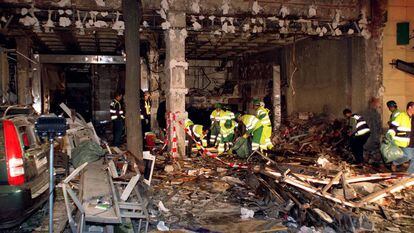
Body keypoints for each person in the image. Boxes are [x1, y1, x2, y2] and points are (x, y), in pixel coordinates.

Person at [388, 102, 414, 174]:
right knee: (408, 156)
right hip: (405, 141)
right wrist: (390, 135)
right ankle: (395, 162)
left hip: (412, 141)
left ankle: (410, 174)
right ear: (410, 107)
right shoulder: (401, 115)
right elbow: (393, 126)